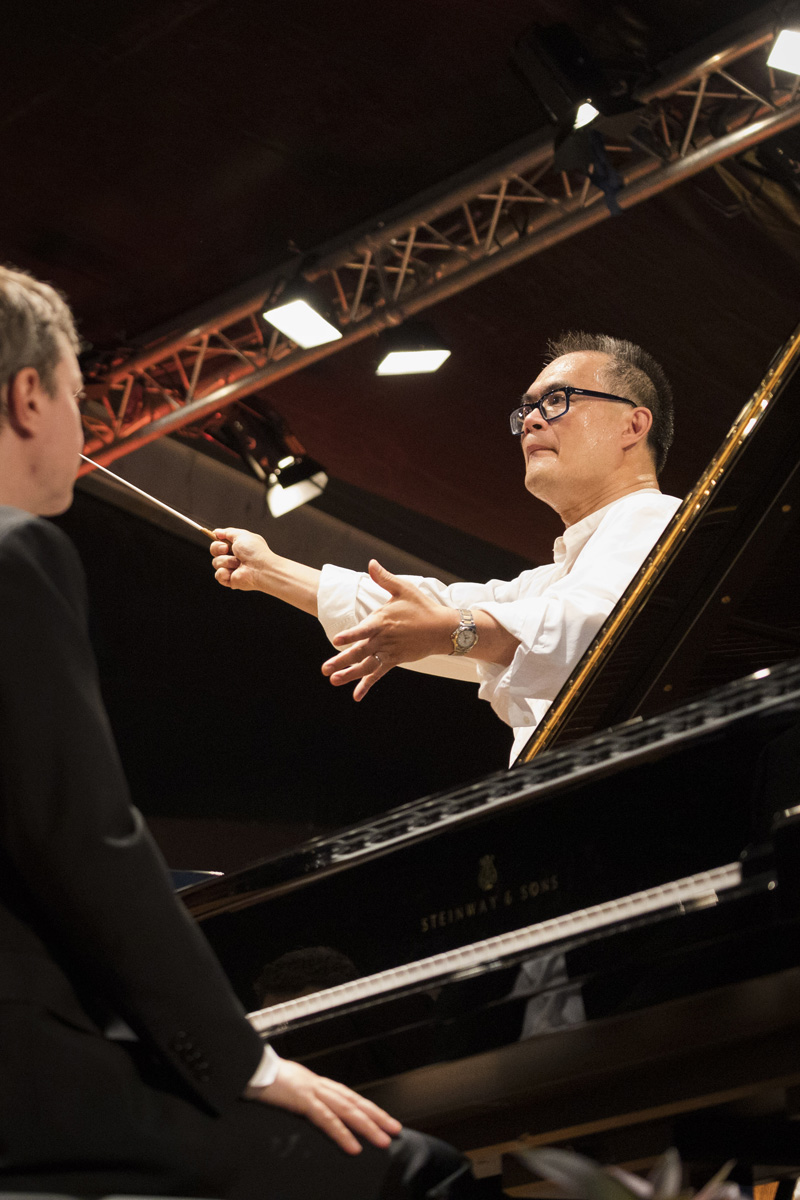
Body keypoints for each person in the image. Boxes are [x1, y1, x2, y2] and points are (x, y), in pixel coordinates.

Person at [0, 264, 483, 1199]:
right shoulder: (17, 554)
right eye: (74, 398)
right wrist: (245, 1061)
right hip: (30, 1083)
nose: (84, 428)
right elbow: (83, 839)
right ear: (28, 397)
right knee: (418, 1175)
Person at [210, 334, 681, 762]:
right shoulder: (554, 580)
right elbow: (433, 610)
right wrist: (267, 571)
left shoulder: (657, 519)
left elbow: (601, 630)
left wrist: (455, 631)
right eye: (527, 410)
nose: (532, 421)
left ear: (633, 425)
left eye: (557, 400)